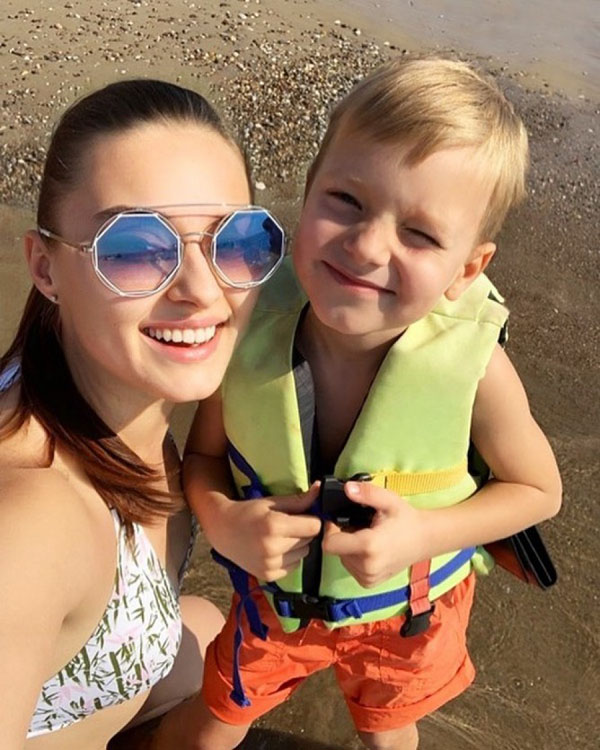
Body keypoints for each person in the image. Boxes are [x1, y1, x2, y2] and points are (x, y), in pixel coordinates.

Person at [184, 57, 562, 750]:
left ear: (467, 269)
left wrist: (422, 535)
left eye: (419, 234)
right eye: (345, 201)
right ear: (309, 190)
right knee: (217, 719)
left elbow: (540, 491)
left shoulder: (476, 370)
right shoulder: (247, 332)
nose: (365, 246)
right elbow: (204, 458)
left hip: (409, 615)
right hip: (274, 600)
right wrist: (223, 520)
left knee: (389, 732)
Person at [0, 78, 285, 749]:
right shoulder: (31, 529)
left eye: (235, 240)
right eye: (133, 249)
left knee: (206, 632)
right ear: (45, 267)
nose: (202, 289)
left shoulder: (106, 390)